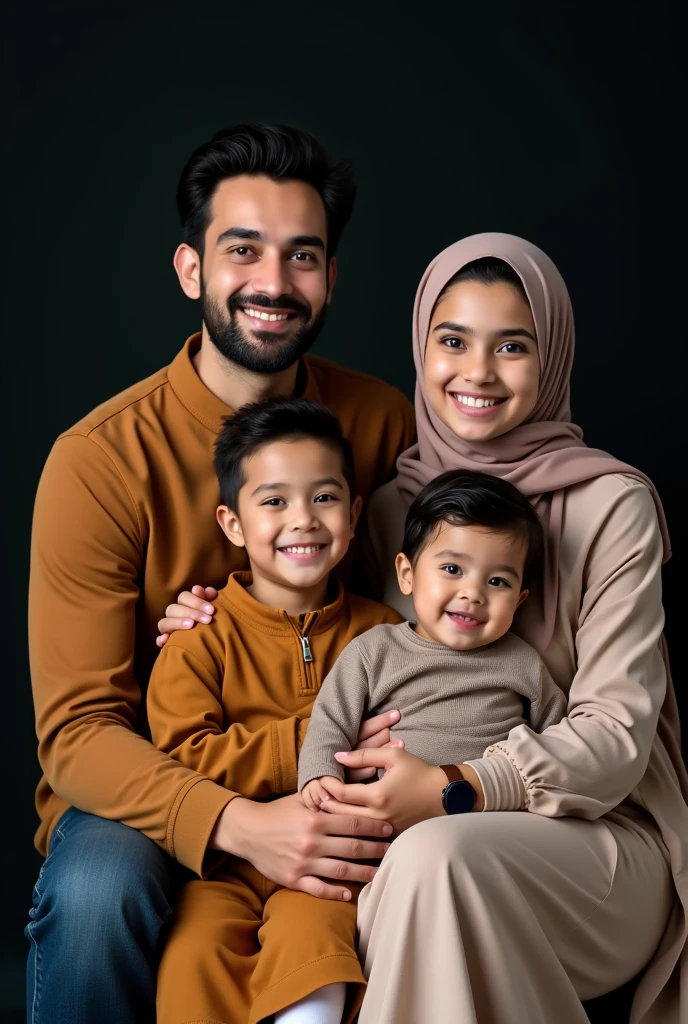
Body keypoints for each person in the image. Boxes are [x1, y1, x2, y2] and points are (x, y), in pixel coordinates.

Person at [26, 123, 414, 1024]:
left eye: (303, 256)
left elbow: (430, 612)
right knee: (95, 891)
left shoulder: (378, 421)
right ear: (191, 269)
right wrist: (242, 825)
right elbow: (80, 733)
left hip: (338, 769)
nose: (274, 284)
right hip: (148, 788)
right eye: (243, 250)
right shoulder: (98, 460)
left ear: (329, 276)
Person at [317, 235, 687, 1023]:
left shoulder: (610, 505)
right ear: (423, 348)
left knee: (432, 858)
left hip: (595, 849)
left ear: (550, 359)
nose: (477, 373)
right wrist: (203, 613)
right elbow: (310, 633)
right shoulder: (390, 508)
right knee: (401, 872)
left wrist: (460, 787)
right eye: (452, 341)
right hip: (399, 839)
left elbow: (617, 737)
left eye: (512, 346)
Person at [147, 397, 403, 1024]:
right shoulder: (200, 635)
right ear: (232, 524)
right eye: (274, 501)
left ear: (355, 512)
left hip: (339, 863)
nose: (304, 521)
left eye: (324, 498)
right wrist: (315, 739)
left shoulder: (386, 633)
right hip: (223, 865)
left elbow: (400, 744)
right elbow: (182, 756)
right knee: (194, 955)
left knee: (317, 946)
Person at [299, 468, 566, 824]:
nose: (473, 594)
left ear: (519, 602)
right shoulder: (374, 650)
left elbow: (559, 742)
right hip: (387, 822)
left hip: (493, 820)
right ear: (407, 575)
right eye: (453, 569)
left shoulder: (522, 662)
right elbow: (330, 721)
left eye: (497, 581)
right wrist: (321, 775)